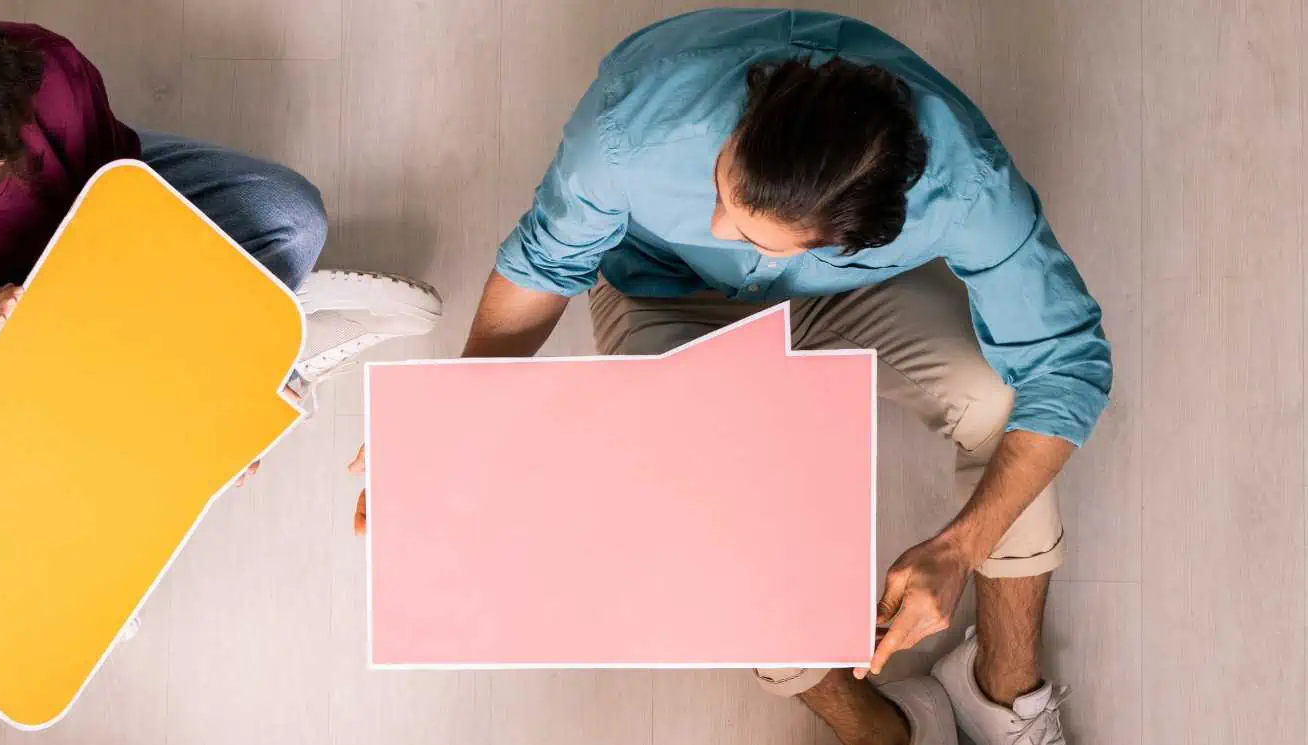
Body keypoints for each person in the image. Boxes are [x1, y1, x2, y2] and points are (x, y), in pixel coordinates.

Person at [353, 9, 1104, 745]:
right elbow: (543, 268)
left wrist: (960, 547)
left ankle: (1001, 690)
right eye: (722, 190)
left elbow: (1066, 365)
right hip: (662, 292)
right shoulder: (628, 131)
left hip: (839, 298)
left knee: (1005, 399)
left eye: (747, 231)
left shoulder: (966, 184)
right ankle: (882, 730)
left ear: (866, 231)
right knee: (717, 529)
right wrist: (449, 431)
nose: (718, 230)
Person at [0, 3, 441, 470]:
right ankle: (219, 380)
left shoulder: (44, 68)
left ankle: (235, 368)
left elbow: (118, 179)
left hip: (81, 255)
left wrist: (117, 328)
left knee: (292, 217)